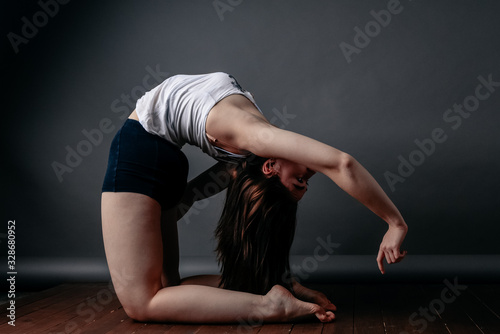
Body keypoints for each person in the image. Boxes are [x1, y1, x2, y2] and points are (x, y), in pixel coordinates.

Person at [101, 72, 408, 324]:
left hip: (142, 149)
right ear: (270, 165)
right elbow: (341, 164)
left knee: (143, 303)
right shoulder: (255, 137)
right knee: (167, 290)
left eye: (299, 181)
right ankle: (270, 293)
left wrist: (394, 225)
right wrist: (394, 223)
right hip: (158, 154)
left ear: (270, 167)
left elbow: (192, 195)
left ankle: (270, 305)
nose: (309, 176)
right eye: (303, 182)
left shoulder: (252, 145)